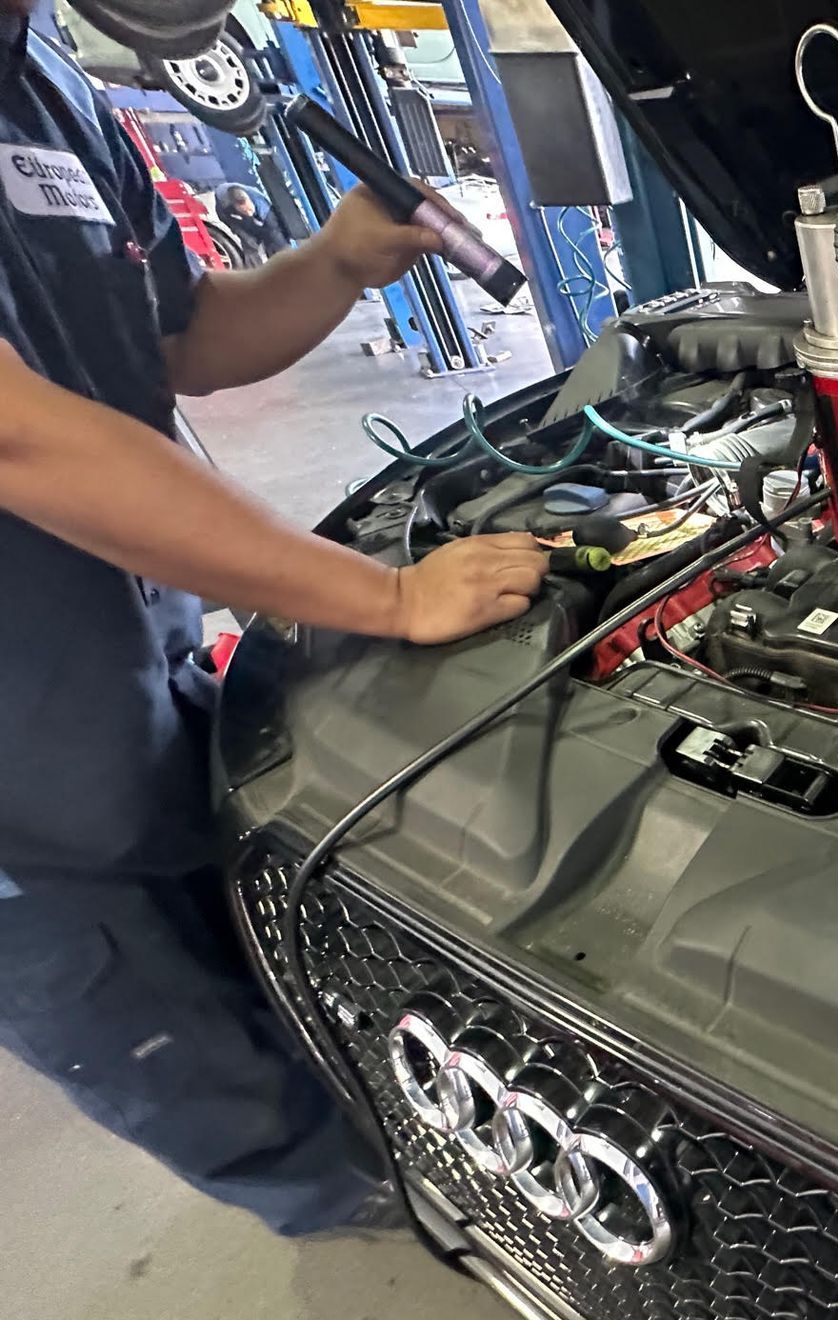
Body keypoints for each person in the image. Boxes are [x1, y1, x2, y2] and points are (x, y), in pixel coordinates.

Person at [0, 17, 548, 1234]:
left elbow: (183, 337)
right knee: (190, 1056)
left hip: (137, 667)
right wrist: (392, 598)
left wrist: (339, 260)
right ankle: (384, 1210)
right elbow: (18, 433)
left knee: (260, 950)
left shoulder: (39, 79)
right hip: (21, 780)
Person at [214, 181, 290, 265]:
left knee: (275, 239)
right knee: (248, 243)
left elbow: (275, 234)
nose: (249, 213)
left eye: (250, 210)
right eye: (245, 211)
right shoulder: (223, 203)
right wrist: (236, 229)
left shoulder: (263, 207)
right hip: (232, 214)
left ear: (250, 200)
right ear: (235, 207)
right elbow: (224, 218)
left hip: (266, 221)